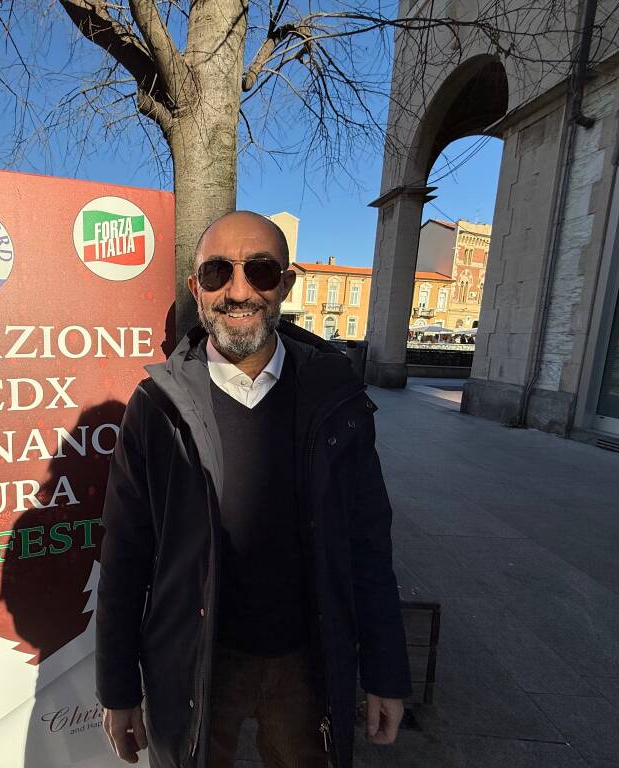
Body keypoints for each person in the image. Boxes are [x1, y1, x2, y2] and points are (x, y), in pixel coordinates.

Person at [96, 211, 411, 768]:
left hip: (304, 664)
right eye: (217, 272)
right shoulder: (155, 408)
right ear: (196, 288)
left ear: (285, 285)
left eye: (260, 272)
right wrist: (118, 689)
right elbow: (125, 556)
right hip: (195, 665)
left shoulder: (335, 399)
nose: (238, 291)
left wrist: (386, 671)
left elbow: (368, 546)